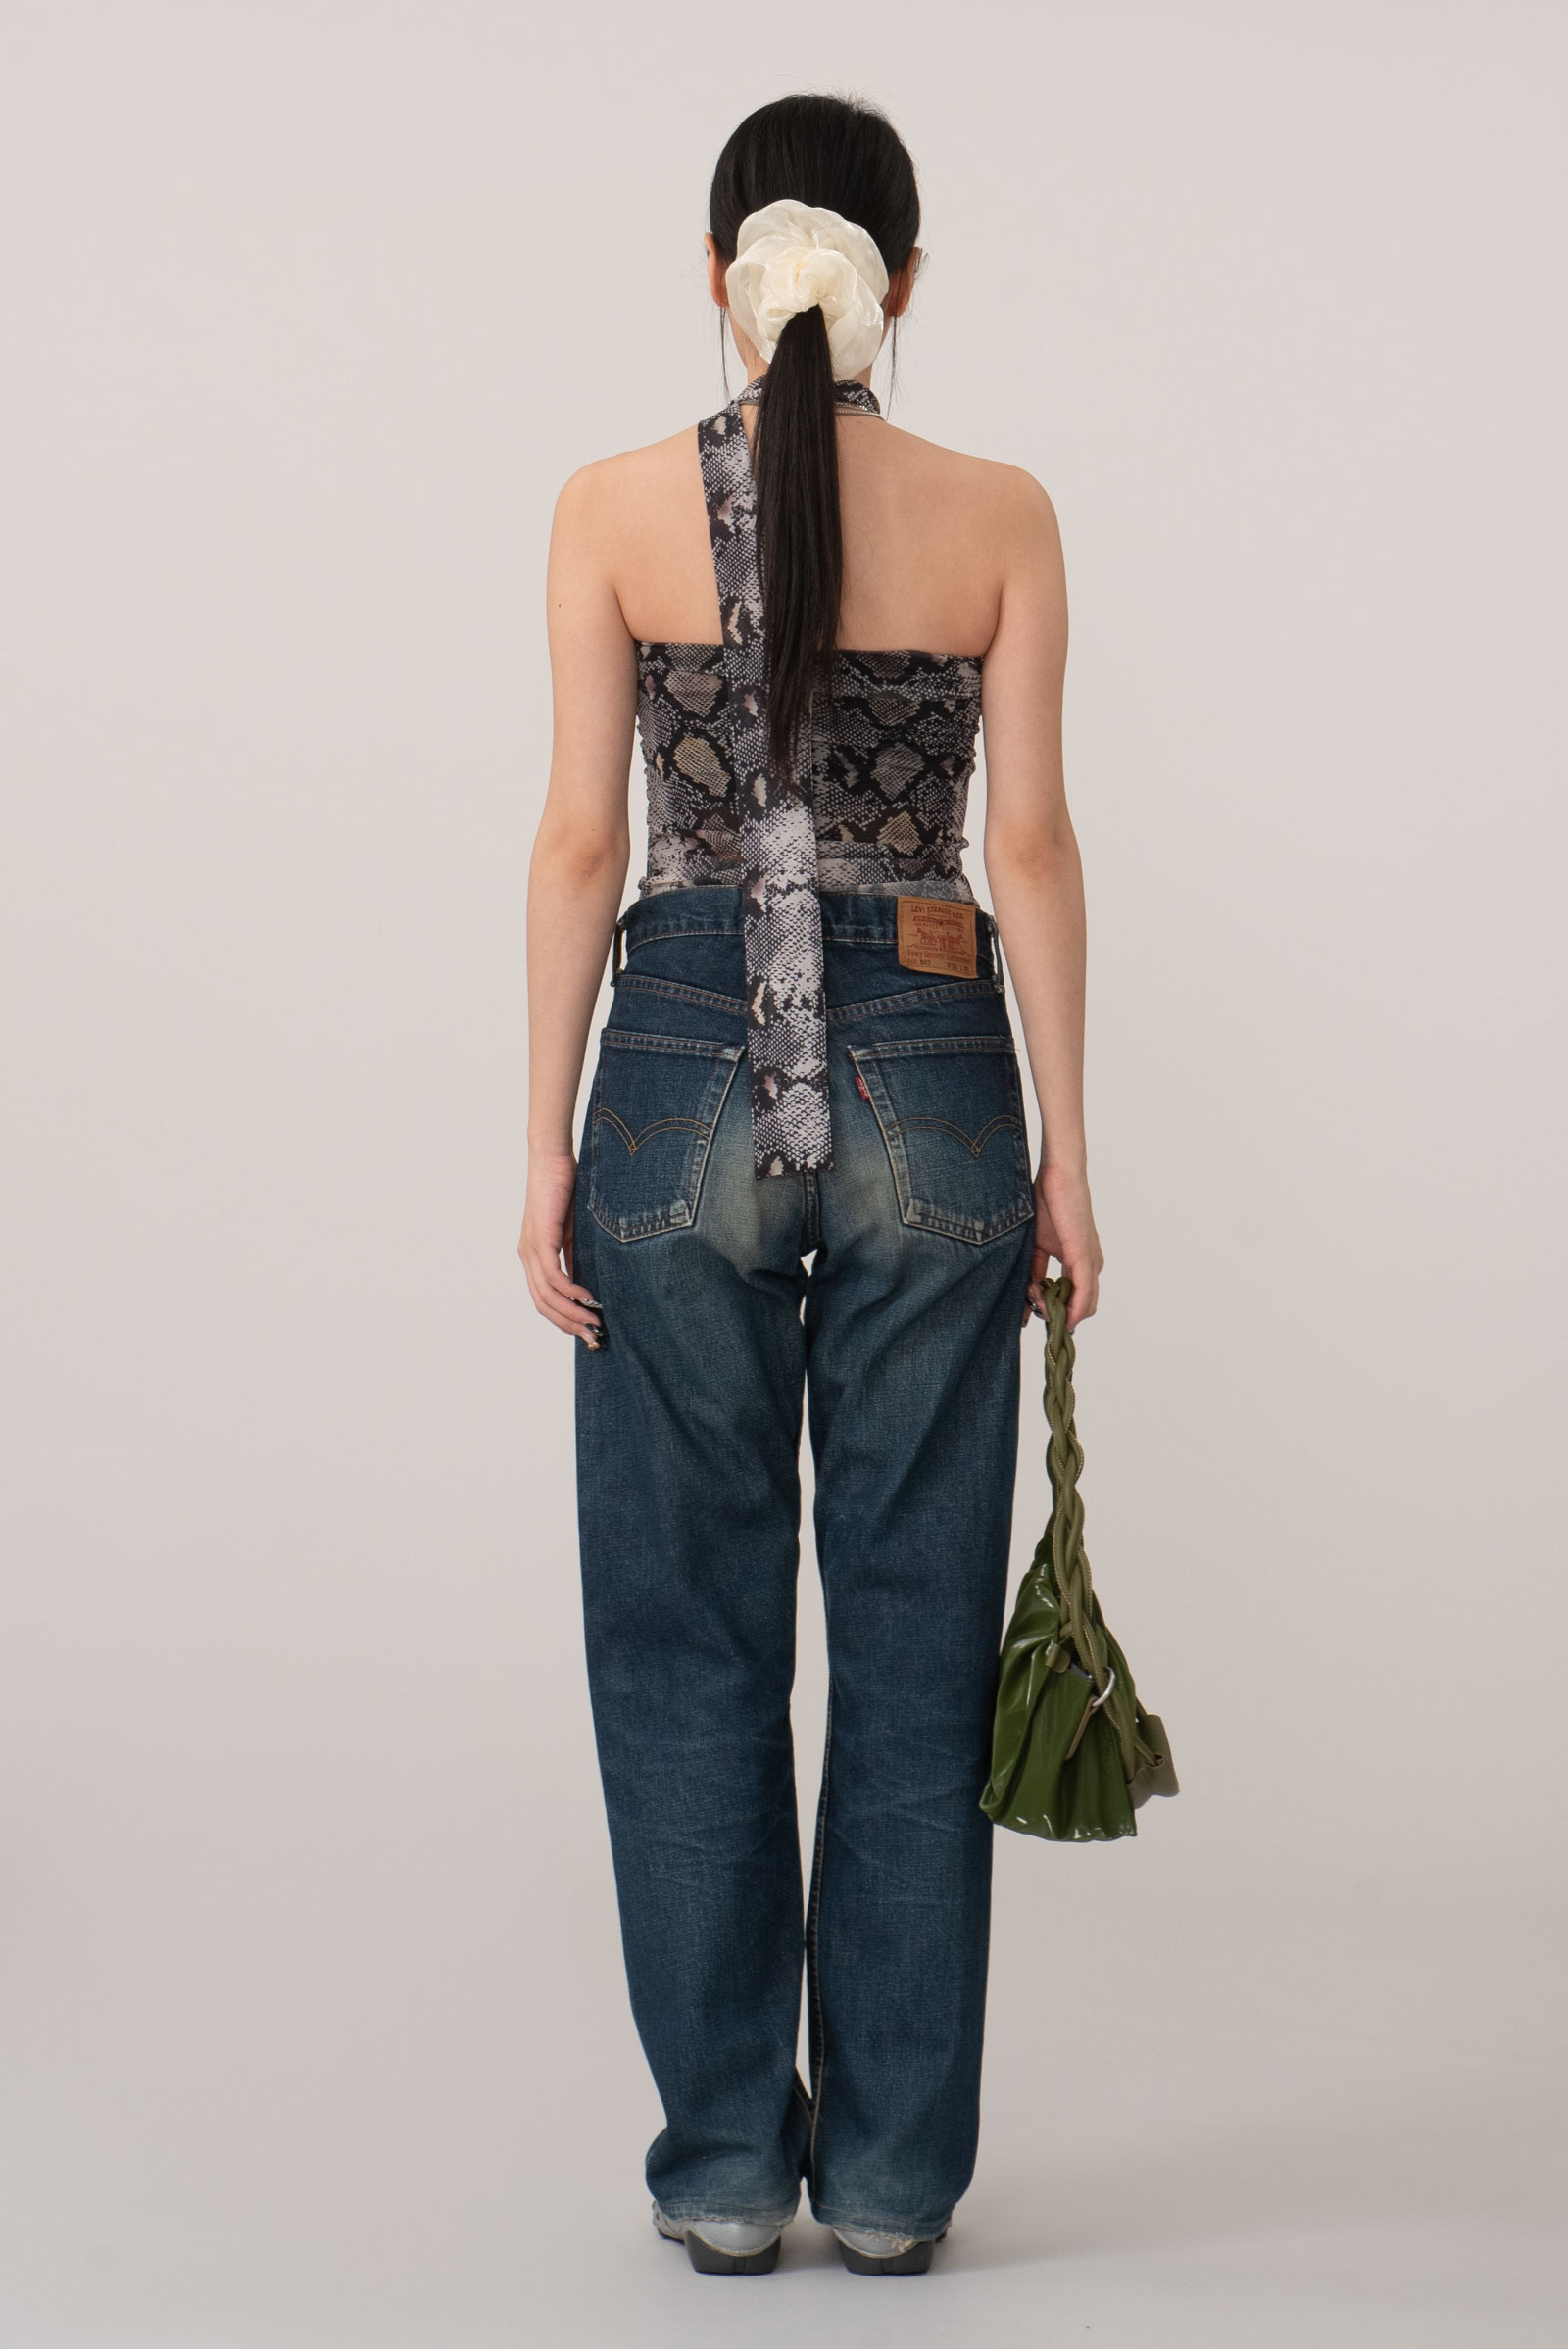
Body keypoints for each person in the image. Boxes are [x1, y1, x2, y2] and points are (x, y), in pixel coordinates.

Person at [518, 92, 1102, 2278]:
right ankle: (886, 2181)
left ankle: (718, 2172)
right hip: (937, 1067)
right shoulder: (1000, 515)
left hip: (673, 1058)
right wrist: (1068, 1149)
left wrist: (542, 1142)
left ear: (715, 272)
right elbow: (1023, 845)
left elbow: (582, 842)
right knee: (918, 1632)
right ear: (905, 282)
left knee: (682, 1633)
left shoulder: (606, 510)